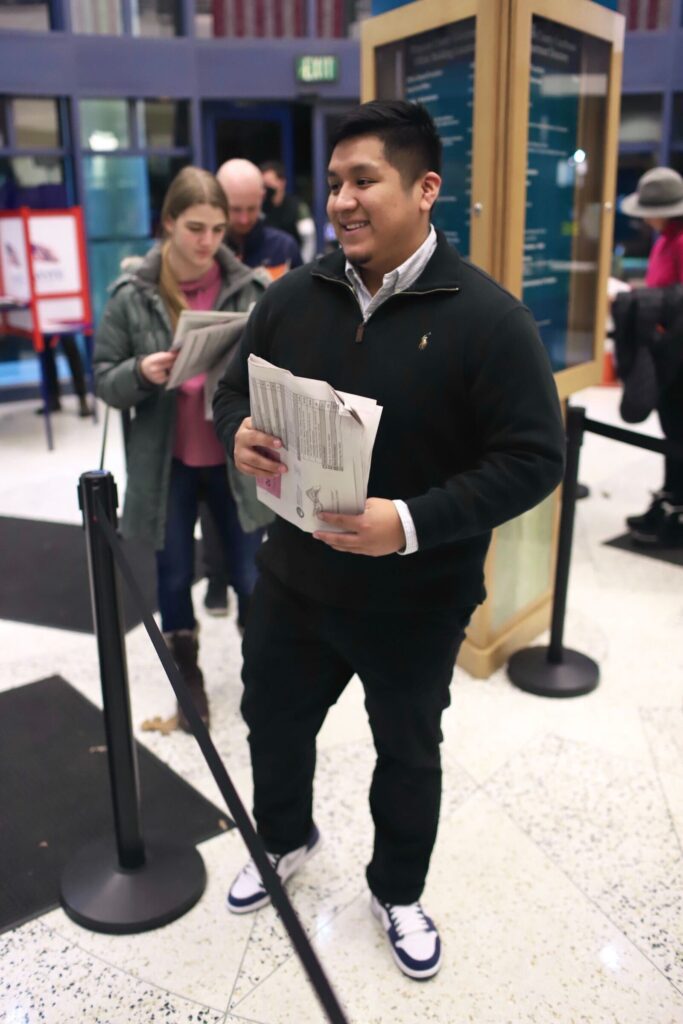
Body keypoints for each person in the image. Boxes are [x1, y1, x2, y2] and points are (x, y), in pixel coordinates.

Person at [213, 101, 565, 979]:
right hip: (293, 580)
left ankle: (398, 888)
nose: (341, 201)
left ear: (424, 188)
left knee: (407, 750)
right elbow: (231, 392)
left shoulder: (489, 319)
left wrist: (404, 523)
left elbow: (532, 459)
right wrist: (237, 433)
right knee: (272, 723)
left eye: (363, 180)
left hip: (414, 598)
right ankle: (285, 838)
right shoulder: (292, 295)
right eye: (334, 183)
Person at [94, 166, 267, 731]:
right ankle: (186, 677)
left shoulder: (248, 288)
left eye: (218, 229)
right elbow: (104, 379)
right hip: (165, 463)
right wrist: (142, 371)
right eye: (195, 227)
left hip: (234, 459)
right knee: (172, 575)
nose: (208, 241)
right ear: (167, 223)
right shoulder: (132, 296)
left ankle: (265, 667)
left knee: (248, 570)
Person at [198, 157, 302, 617]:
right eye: (232, 210)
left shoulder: (280, 245)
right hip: (210, 390)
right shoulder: (205, 250)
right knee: (211, 491)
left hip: (268, 389)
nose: (241, 220)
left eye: (249, 209)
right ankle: (216, 577)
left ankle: (250, 585)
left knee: (256, 493)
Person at [620, 166, 683, 547]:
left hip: (677, 350)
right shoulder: (665, 238)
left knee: (678, 430)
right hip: (666, 349)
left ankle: (676, 511)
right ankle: (668, 500)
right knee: (672, 429)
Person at [216, 158, 303, 272]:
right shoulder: (206, 251)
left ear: (262, 198)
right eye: (236, 210)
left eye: (252, 209)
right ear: (218, 201)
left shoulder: (284, 248)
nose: (244, 219)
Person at [261, 159, 317, 263]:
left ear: (282, 182)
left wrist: (302, 267)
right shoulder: (260, 209)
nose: (266, 189)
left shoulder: (297, 207)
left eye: (268, 183)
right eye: (263, 185)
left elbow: (309, 240)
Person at [37, 333, 92, 417]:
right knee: (46, 353)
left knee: (71, 349)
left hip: (65, 322)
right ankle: (53, 400)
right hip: (46, 322)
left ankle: (82, 400)